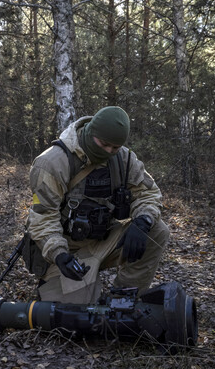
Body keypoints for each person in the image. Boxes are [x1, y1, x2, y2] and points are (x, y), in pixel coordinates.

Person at [23, 106, 169, 304]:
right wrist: (59, 254)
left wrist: (143, 220)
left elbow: (148, 192)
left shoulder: (124, 159)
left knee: (156, 231)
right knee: (74, 319)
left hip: (103, 240)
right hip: (67, 250)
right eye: (104, 144)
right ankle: (61, 284)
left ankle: (125, 296)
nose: (108, 151)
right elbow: (42, 217)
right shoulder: (51, 163)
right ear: (91, 132)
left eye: (115, 147)